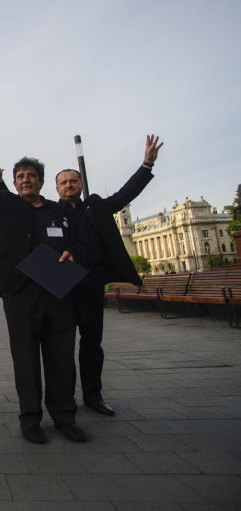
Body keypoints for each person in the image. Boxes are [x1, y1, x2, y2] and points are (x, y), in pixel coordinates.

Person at [0, 129, 92, 445]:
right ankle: (30, 419)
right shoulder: (6, 204)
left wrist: (76, 252)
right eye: (20, 176)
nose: (26, 179)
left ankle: (65, 417)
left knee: (60, 358)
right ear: (14, 183)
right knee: (25, 360)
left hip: (58, 292)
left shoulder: (60, 211)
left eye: (32, 175)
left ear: (41, 181)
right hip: (21, 292)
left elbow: (83, 241)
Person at [55, 135, 163, 415]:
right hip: (63, 286)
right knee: (63, 345)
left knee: (92, 342)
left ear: (80, 185)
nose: (69, 185)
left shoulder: (96, 207)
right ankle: (65, 398)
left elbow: (125, 195)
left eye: (73, 181)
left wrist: (146, 165)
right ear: (57, 188)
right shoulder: (51, 212)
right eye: (64, 182)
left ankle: (93, 394)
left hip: (91, 282)